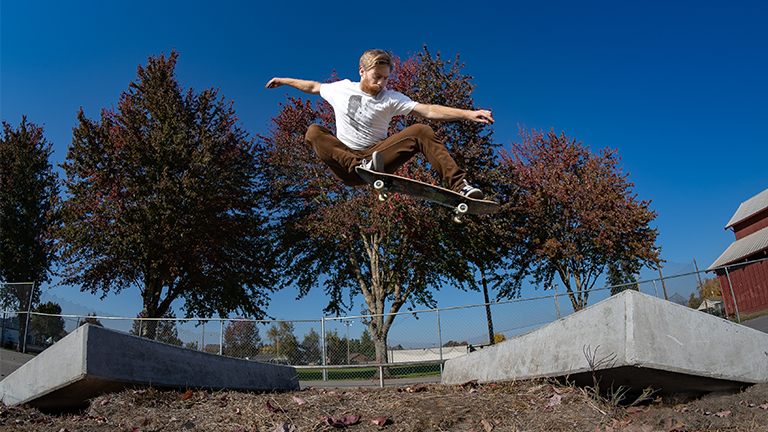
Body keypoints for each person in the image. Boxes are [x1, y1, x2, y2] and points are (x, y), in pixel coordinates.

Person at [265, 49, 494, 198]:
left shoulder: (391, 98)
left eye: (386, 78)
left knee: (421, 130)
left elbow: (428, 110)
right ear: (362, 72)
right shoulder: (340, 88)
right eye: (377, 76)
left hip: (377, 158)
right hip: (346, 162)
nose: (382, 83)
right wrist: (284, 80)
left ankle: (460, 186)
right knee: (314, 131)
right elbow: (313, 87)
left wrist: (466, 114)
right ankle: (360, 165)